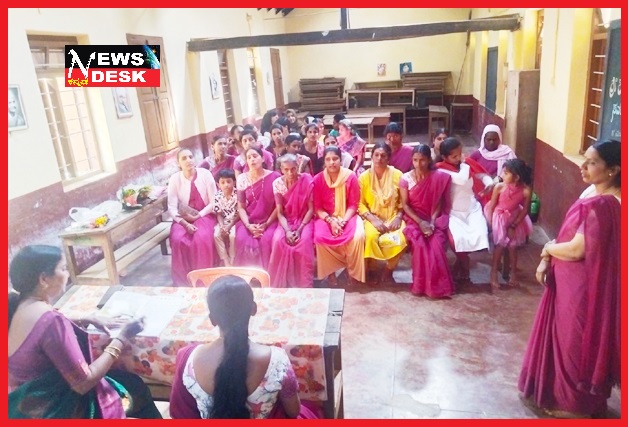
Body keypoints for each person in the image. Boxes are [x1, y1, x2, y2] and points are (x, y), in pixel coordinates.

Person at [519, 140, 621, 419]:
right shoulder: (594, 192)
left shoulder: (605, 203)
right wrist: (548, 258)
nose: (583, 166)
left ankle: (574, 406)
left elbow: (577, 249)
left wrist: (547, 249)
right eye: (584, 159)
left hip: (583, 286)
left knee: (574, 342)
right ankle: (565, 397)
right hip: (571, 281)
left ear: (613, 170)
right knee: (565, 338)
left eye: (592, 162)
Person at [8, 245, 161, 419]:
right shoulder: (51, 321)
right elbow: (83, 383)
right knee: (135, 387)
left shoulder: (18, 306)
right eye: (63, 269)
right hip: (61, 408)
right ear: (44, 279)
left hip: (28, 404)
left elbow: (38, 332)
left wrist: (86, 318)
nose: (67, 274)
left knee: (129, 382)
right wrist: (122, 337)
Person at [169, 276, 319, 419]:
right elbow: (293, 411)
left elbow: (180, 413)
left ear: (212, 319)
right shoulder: (277, 361)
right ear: (253, 309)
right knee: (312, 408)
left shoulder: (187, 358)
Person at [435, 137, 492, 286]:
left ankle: (460, 265)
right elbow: (461, 179)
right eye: (454, 156)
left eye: (460, 154)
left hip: (472, 209)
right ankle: (464, 264)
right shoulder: (440, 169)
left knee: (478, 235)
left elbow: (482, 175)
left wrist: (489, 183)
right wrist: (465, 164)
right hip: (453, 212)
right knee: (457, 240)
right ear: (444, 157)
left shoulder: (466, 163)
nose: (458, 158)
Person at [399, 144, 454, 298]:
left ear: (429, 160)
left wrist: (431, 222)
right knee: (420, 246)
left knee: (436, 246)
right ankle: (420, 286)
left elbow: (438, 203)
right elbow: (405, 205)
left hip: (432, 219)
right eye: (415, 160)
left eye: (422, 160)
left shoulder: (438, 178)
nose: (419, 164)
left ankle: (438, 288)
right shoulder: (405, 179)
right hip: (414, 219)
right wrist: (420, 223)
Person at [313, 146, 366, 286]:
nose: (332, 162)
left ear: (341, 160)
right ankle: (330, 273)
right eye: (328, 159)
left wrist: (343, 221)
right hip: (326, 217)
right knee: (320, 238)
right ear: (324, 162)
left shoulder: (350, 177)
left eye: (335, 158)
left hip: (348, 216)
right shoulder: (318, 179)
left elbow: (354, 205)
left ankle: (352, 272)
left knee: (358, 237)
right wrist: (331, 221)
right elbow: (317, 208)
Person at [358, 142, 407, 285]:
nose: (379, 158)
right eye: (376, 155)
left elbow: (404, 201)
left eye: (383, 156)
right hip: (372, 217)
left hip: (393, 216)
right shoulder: (364, 177)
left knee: (402, 238)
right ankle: (372, 269)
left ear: (388, 158)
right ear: (372, 157)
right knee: (370, 237)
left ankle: (389, 269)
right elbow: (359, 203)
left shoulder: (398, 175)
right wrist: (373, 219)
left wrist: (398, 217)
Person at [168, 149, 218, 285]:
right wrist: (184, 223)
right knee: (178, 239)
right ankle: (183, 282)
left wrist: (198, 215)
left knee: (201, 238)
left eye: (190, 157)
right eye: (184, 158)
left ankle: (202, 280)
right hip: (182, 218)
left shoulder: (205, 174)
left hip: (205, 215)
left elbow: (214, 202)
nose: (188, 160)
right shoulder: (175, 179)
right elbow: (172, 207)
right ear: (178, 163)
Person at [484, 159, 533, 289]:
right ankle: (494, 273)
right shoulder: (499, 187)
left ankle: (513, 273)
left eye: (506, 173)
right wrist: (491, 222)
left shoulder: (525, 191)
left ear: (516, 177)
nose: (502, 175)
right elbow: (492, 206)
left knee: (512, 246)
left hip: (514, 218)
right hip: (499, 217)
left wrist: (514, 225)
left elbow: (525, 210)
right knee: (500, 245)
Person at [268, 154, 315, 288]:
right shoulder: (277, 184)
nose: (290, 173)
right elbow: (280, 212)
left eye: (293, 169)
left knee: (304, 242)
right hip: (286, 220)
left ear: (297, 167)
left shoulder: (306, 180)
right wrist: (288, 231)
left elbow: (311, 209)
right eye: (286, 169)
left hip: (304, 219)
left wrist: (299, 230)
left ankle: (304, 284)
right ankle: (281, 284)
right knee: (278, 240)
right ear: (281, 170)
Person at [234, 147, 281, 269]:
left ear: (263, 158)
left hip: (270, 220)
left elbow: (279, 206)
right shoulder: (242, 179)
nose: (252, 159)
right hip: (249, 220)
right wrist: (248, 225)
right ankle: (248, 275)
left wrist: (266, 224)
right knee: (242, 239)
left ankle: (267, 274)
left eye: (255, 156)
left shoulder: (275, 177)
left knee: (267, 240)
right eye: (249, 157)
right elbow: (241, 207)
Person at [213, 169, 239, 267]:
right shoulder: (217, 196)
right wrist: (222, 226)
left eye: (229, 181)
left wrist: (229, 226)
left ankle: (232, 259)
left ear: (234, 182)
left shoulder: (238, 194)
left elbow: (239, 213)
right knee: (216, 235)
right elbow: (218, 213)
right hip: (223, 221)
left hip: (236, 221)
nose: (226, 185)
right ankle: (225, 260)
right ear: (218, 184)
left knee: (233, 236)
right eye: (222, 182)